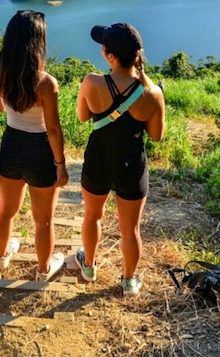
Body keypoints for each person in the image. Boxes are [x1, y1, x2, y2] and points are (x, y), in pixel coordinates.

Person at [68, 22, 165, 295]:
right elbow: (156, 136)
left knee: (92, 216)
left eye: (103, 46)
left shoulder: (91, 82)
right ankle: (129, 280)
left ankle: (88, 266)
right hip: (131, 166)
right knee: (130, 229)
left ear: (111, 57)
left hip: (98, 160)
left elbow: (83, 116)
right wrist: (157, 101)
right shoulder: (152, 93)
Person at [0, 10, 69, 281]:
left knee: (6, 209)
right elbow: (54, 129)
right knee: (43, 220)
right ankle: (44, 270)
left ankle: (1, 256)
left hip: (11, 145)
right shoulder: (46, 83)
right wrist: (61, 164)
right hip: (40, 150)